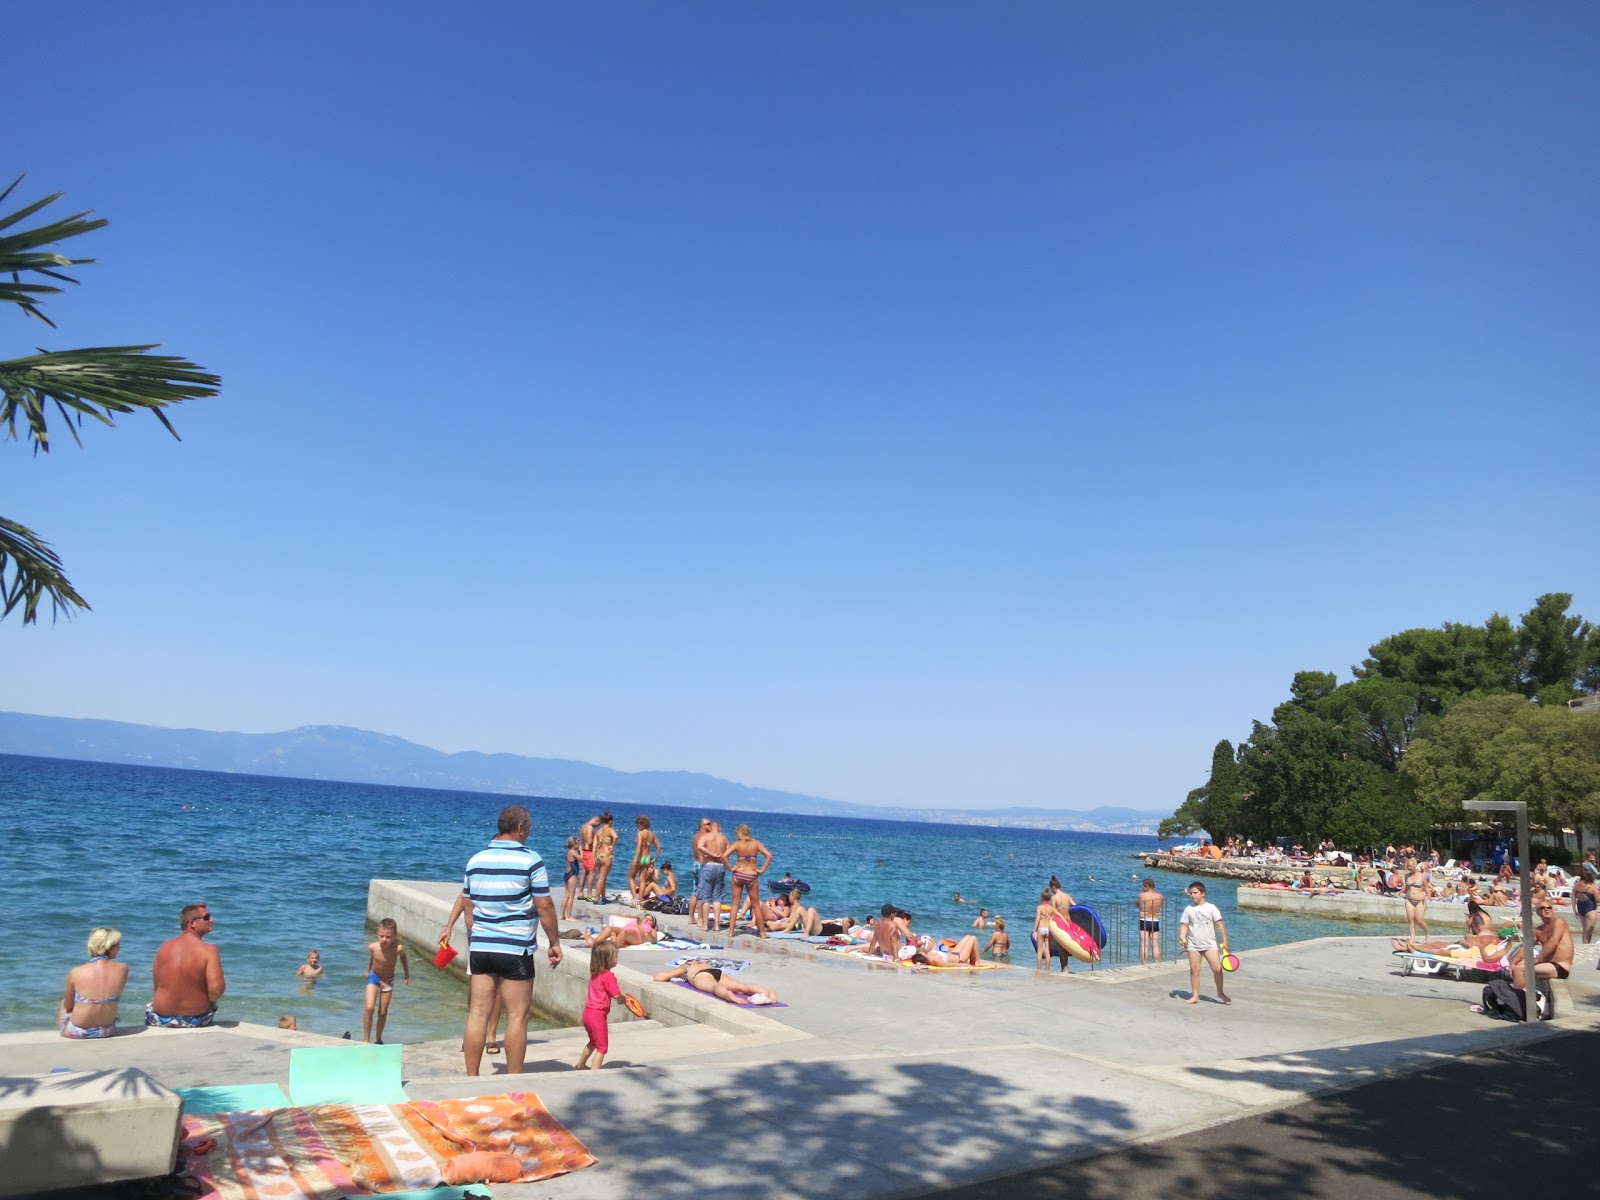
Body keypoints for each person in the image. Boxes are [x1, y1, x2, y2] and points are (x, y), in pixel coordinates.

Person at [444, 805, 562, 1076]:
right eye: (528, 829)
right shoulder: (531, 860)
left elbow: (468, 903)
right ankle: (513, 1079)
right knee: (518, 1016)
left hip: (482, 946)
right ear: (520, 828)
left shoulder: (475, 860)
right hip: (515, 947)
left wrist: (472, 934)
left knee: (477, 1014)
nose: (528, 833)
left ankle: (472, 1078)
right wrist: (554, 942)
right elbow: (544, 905)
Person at [147, 903, 225, 1027]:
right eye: (206, 917)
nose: (212, 919)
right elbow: (216, 990)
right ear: (192, 923)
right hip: (195, 1019)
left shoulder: (164, 946)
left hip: (160, 1018)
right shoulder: (209, 950)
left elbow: (157, 986)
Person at [58, 927, 128, 1039]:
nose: (120, 948)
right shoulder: (123, 969)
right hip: (107, 1030)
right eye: (118, 945)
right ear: (109, 947)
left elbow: (68, 1006)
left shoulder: (76, 972)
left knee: (64, 1002)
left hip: (77, 1032)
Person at [1178, 882, 1230, 1006]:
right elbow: (1184, 925)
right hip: (1194, 944)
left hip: (1210, 944)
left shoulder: (1211, 908)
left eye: (1195, 893)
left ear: (1203, 893)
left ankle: (1220, 992)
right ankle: (1195, 995)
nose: (1193, 895)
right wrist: (1182, 937)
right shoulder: (1188, 909)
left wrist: (1224, 941)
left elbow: (1219, 925)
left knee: (1217, 969)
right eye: (1191, 893)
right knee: (1194, 970)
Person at [363, 917, 410, 1044]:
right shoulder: (373, 947)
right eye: (382, 936)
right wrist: (368, 971)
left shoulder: (398, 948)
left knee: (383, 1012)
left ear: (395, 935)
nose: (384, 939)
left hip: (388, 980)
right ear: (377, 933)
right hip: (374, 977)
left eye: (388, 937)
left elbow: (404, 959)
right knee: (369, 1007)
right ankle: (366, 1039)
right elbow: (372, 958)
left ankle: (378, 1039)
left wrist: (407, 975)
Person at [1508, 901, 1575, 990]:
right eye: (1542, 908)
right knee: (1518, 966)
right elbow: (1526, 947)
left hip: (1560, 966)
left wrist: (1538, 959)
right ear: (1537, 912)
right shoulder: (1539, 931)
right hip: (1547, 964)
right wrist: (1513, 962)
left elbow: (1553, 942)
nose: (1546, 909)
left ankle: (1518, 998)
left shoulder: (1558, 922)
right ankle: (1524, 993)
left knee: (1520, 969)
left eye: (1549, 907)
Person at [575, 941, 621, 1070]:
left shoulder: (595, 974)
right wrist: (624, 998)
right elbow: (616, 994)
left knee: (593, 1042)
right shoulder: (608, 976)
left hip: (587, 1014)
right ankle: (594, 1073)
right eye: (615, 956)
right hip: (597, 1015)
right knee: (602, 1047)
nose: (616, 959)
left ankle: (580, 1064)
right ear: (607, 959)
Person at [653, 960, 778, 1005]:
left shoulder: (686, 966)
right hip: (716, 971)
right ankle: (768, 992)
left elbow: (659, 977)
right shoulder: (703, 962)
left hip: (701, 976)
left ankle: (728, 996)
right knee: (741, 987)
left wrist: (676, 972)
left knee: (714, 986)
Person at [724, 823, 773, 938]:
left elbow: (724, 857)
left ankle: (731, 931)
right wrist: (762, 870)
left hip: (739, 874)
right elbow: (769, 856)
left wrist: (730, 868)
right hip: (751, 875)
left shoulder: (737, 844)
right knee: (756, 905)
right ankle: (762, 933)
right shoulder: (756, 843)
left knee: (735, 904)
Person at [694, 820, 730, 932]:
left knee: (705, 898)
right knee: (717, 898)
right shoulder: (724, 839)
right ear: (719, 828)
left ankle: (705, 925)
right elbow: (728, 853)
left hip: (708, 865)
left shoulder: (706, 836)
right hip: (720, 866)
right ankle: (717, 925)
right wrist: (721, 856)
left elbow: (700, 847)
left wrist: (711, 854)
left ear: (712, 827)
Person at [626, 815, 661, 900]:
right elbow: (659, 847)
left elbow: (639, 846)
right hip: (647, 859)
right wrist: (655, 859)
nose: (638, 827)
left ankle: (634, 897)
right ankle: (640, 898)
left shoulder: (640, 833)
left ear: (641, 824)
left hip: (640, 857)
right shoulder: (652, 834)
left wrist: (636, 858)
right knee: (642, 880)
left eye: (638, 825)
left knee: (631, 877)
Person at [583, 914, 660, 948]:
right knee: (609, 928)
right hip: (626, 931)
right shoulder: (636, 924)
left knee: (624, 932)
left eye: (650, 920)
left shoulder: (651, 930)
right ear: (641, 920)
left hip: (637, 936)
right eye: (645, 918)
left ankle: (614, 945)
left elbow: (654, 941)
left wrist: (650, 935)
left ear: (653, 924)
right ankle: (594, 942)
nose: (647, 920)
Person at [591, 813, 618, 904]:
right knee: (602, 878)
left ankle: (603, 897)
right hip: (606, 855)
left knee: (603, 877)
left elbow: (594, 845)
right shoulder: (610, 829)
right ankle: (596, 898)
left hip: (598, 856)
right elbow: (615, 836)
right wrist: (612, 846)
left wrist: (593, 857)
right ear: (610, 821)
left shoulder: (598, 831)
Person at [1137, 878, 1164, 966]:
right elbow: (1160, 906)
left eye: (1143, 886)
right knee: (1155, 944)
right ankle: (1157, 963)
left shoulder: (1142, 895)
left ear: (1146, 886)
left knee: (1144, 944)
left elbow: (1138, 904)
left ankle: (1144, 963)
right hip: (1155, 920)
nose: (1142, 888)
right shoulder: (1160, 896)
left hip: (1144, 920)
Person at [577, 814, 601, 901]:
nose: (597, 826)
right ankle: (589, 894)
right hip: (590, 852)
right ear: (596, 821)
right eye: (598, 825)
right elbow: (589, 841)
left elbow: (581, 839)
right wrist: (596, 839)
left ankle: (580, 892)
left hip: (584, 851)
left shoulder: (583, 826)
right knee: (592, 873)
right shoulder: (590, 828)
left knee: (584, 873)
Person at [1574, 865, 1598, 945]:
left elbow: (1573, 898)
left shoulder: (1576, 885)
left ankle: (1584, 945)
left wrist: (1574, 909)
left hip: (1580, 907)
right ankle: (1587, 946)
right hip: (1590, 908)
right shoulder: (1592, 886)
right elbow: (1598, 900)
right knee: (1589, 930)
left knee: (1585, 930)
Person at [559, 836, 581, 921]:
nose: (579, 845)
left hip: (567, 874)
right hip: (572, 875)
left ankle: (562, 915)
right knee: (571, 896)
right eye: (578, 843)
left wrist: (578, 850)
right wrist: (581, 850)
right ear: (574, 844)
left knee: (567, 895)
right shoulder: (572, 852)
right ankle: (569, 916)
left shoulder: (569, 852)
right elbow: (582, 859)